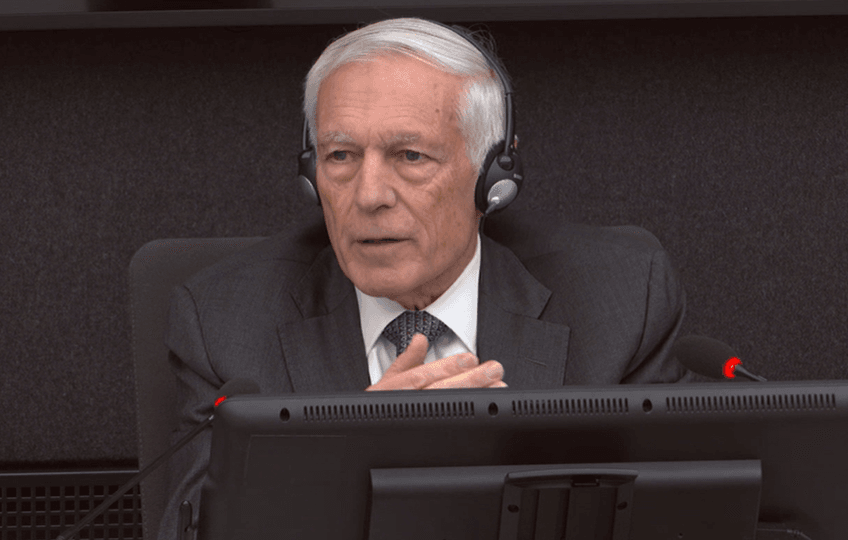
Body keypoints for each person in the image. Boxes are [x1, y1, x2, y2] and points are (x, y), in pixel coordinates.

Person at [159, 17, 690, 540]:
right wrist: (352, 456)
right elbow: (193, 531)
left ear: (493, 178)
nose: (369, 195)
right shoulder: (224, 325)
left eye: (410, 156)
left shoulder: (620, 303)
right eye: (340, 156)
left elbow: (683, 519)